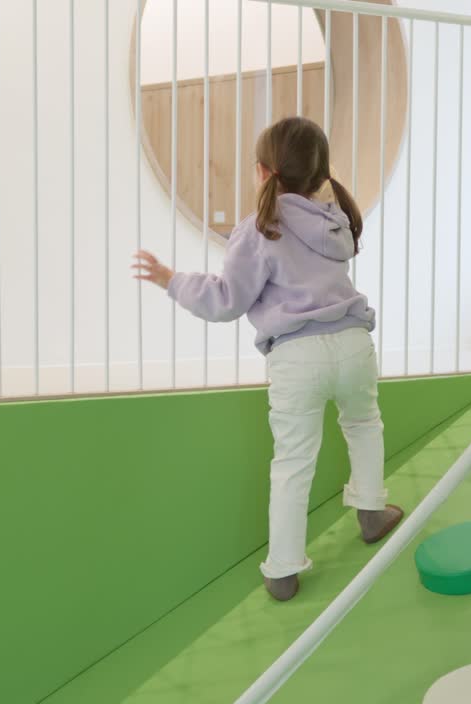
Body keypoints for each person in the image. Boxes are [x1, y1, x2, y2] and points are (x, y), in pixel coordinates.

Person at [132, 117, 403, 602]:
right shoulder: (335, 218)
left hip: (297, 356)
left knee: (293, 462)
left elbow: (227, 300)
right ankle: (371, 511)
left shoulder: (258, 230)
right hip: (352, 342)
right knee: (364, 425)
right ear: (321, 174)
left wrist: (170, 279)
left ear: (262, 172)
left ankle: (282, 569)